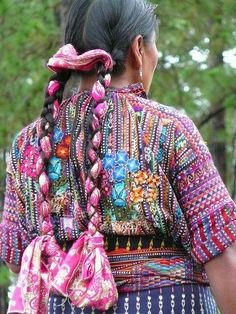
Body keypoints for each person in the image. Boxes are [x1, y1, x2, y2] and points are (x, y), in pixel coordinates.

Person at [1, 0, 236, 313]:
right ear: (138, 49)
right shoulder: (168, 130)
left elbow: (17, 256)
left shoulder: (28, 143)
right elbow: (223, 252)